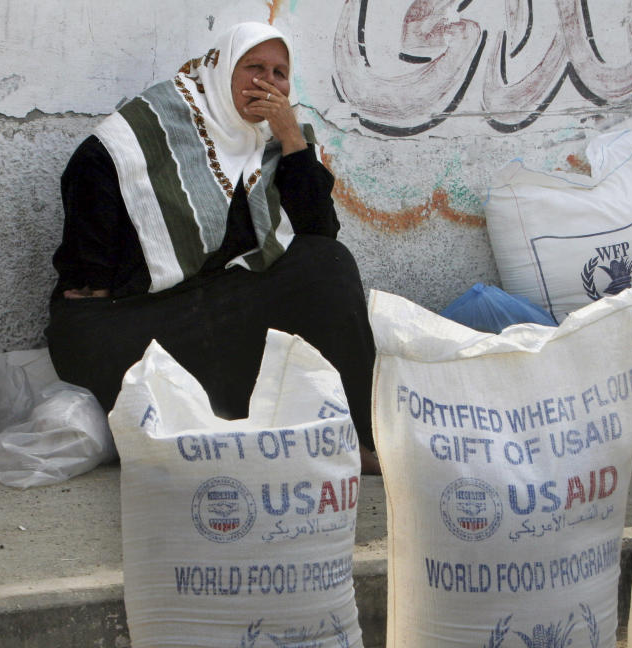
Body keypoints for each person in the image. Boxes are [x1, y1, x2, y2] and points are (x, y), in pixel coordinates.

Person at [46, 22, 381, 473]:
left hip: (213, 317)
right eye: (254, 67)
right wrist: (94, 279)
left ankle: (356, 435)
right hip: (127, 322)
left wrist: (292, 138)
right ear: (221, 70)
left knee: (326, 265)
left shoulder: (274, 144)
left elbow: (320, 234)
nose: (267, 82)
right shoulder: (158, 125)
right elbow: (92, 168)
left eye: (280, 73)